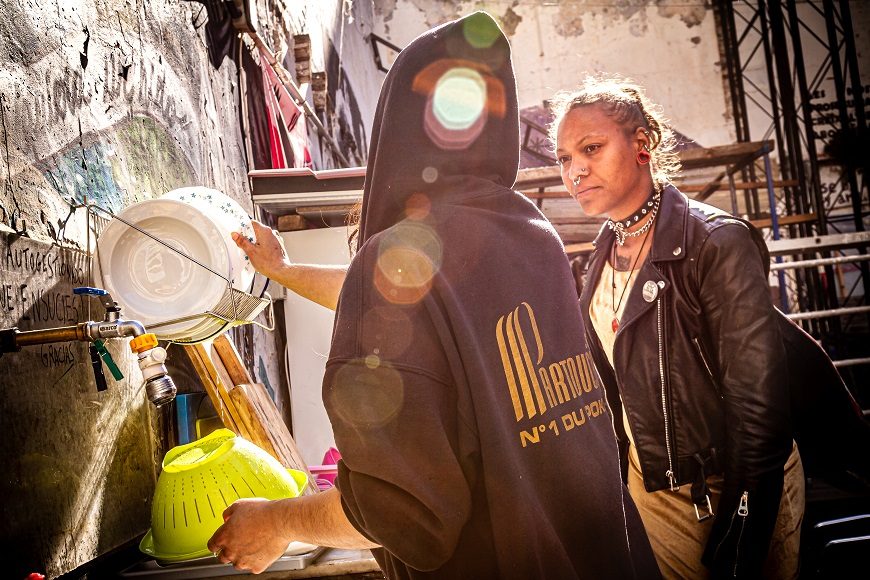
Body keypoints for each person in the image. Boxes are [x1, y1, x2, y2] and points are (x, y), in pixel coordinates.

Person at [208, 13, 660, 578]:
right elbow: (414, 300)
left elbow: (406, 512)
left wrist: (278, 522)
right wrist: (286, 269)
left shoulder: (403, 257)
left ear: (397, 128)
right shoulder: (531, 234)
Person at [550, 76, 864, 579]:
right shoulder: (599, 258)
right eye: (565, 157)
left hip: (739, 483)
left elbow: (758, 406)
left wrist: (745, 518)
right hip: (653, 490)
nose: (575, 170)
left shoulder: (716, 242)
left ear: (642, 146)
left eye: (590, 148)